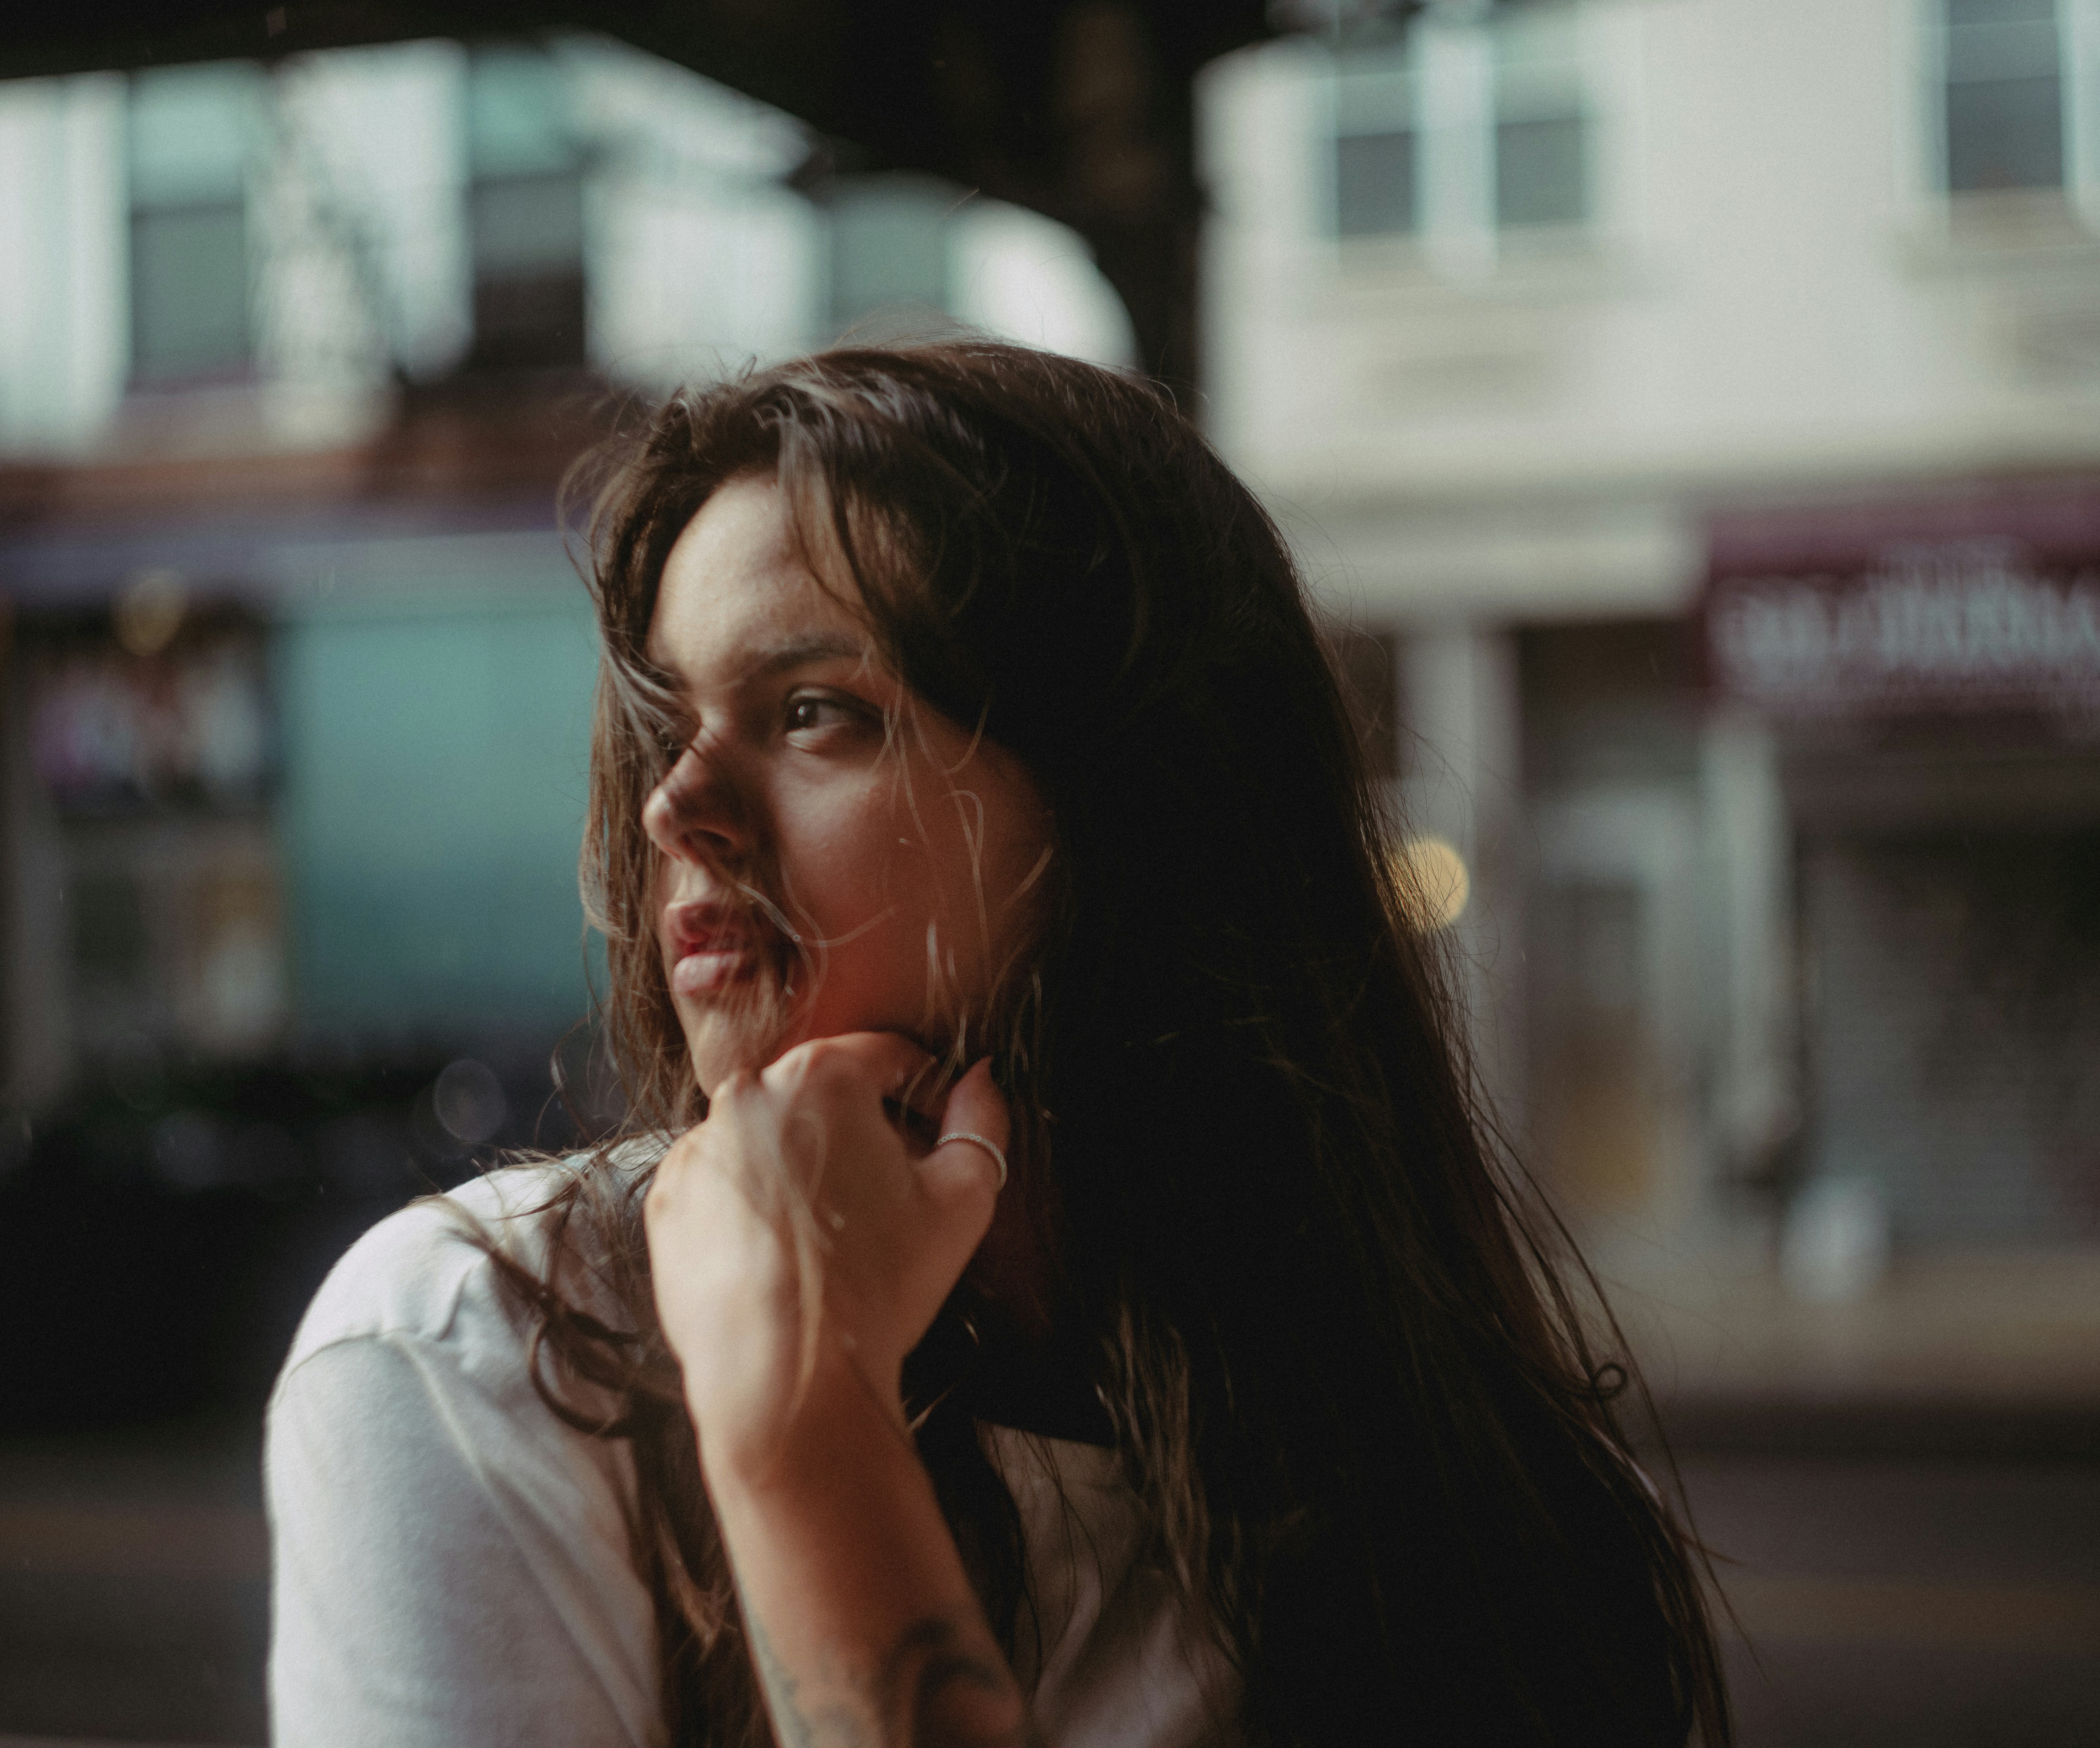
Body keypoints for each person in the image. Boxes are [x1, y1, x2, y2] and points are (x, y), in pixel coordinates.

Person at [265, 340, 1731, 1748]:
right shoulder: (472, 1358)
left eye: (814, 712)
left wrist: (807, 1430)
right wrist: (797, 1422)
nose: (676, 805)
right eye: (668, 727)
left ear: (1128, 811)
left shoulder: (1487, 1514)